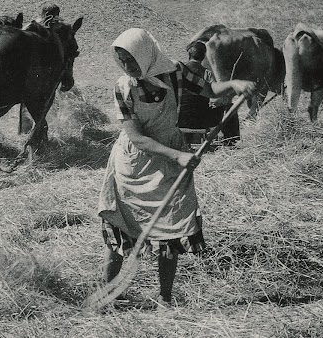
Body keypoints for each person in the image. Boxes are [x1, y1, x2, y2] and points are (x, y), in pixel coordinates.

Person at [97, 28, 255, 306]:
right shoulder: (123, 87)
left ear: (145, 54)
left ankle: (164, 297)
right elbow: (136, 137)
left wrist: (234, 84)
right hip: (133, 163)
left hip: (170, 163)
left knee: (169, 233)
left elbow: (208, 89)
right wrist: (177, 155)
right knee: (120, 230)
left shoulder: (177, 73)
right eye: (121, 60)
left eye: (131, 60)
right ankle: (110, 294)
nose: (127, 66)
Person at [178, 41, 215, 145]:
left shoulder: (180, 71)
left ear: (189, 54)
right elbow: (213, 93)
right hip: (201, 120)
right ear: (203, 56)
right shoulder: (207, 73)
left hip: (181, 119)